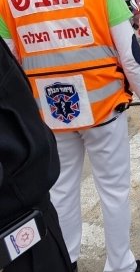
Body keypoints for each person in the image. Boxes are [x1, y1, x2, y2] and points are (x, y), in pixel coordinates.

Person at [0, 0, 140, 272]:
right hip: (103, 113)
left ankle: (66, 262)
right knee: (114, 192)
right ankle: (119, 266)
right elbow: (132, 58)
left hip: (48, 119)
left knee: (59, 191)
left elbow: (7, 68)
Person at [0, 36, 72, 272]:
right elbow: (131, 54)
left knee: (67, 191)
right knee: (114, 188)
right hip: (19, 229)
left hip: (53, 110)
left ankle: (74, 256)